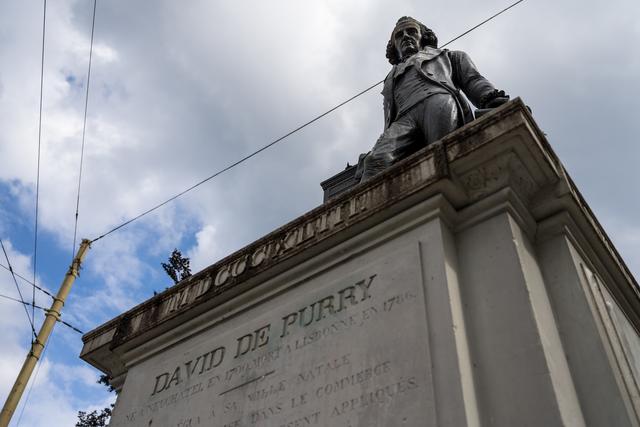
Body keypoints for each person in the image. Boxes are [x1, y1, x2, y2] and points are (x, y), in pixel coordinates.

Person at [357, 16, 509, 182]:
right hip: (403, 119)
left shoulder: (449, 56)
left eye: (412, 31)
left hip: (437, 102)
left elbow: (473, 79)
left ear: (423, 36)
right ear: (394, 46)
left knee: (443, 153)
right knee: (375, 161)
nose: (406, 36)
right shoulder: (390, 79)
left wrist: (490, 97)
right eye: (399, 35)